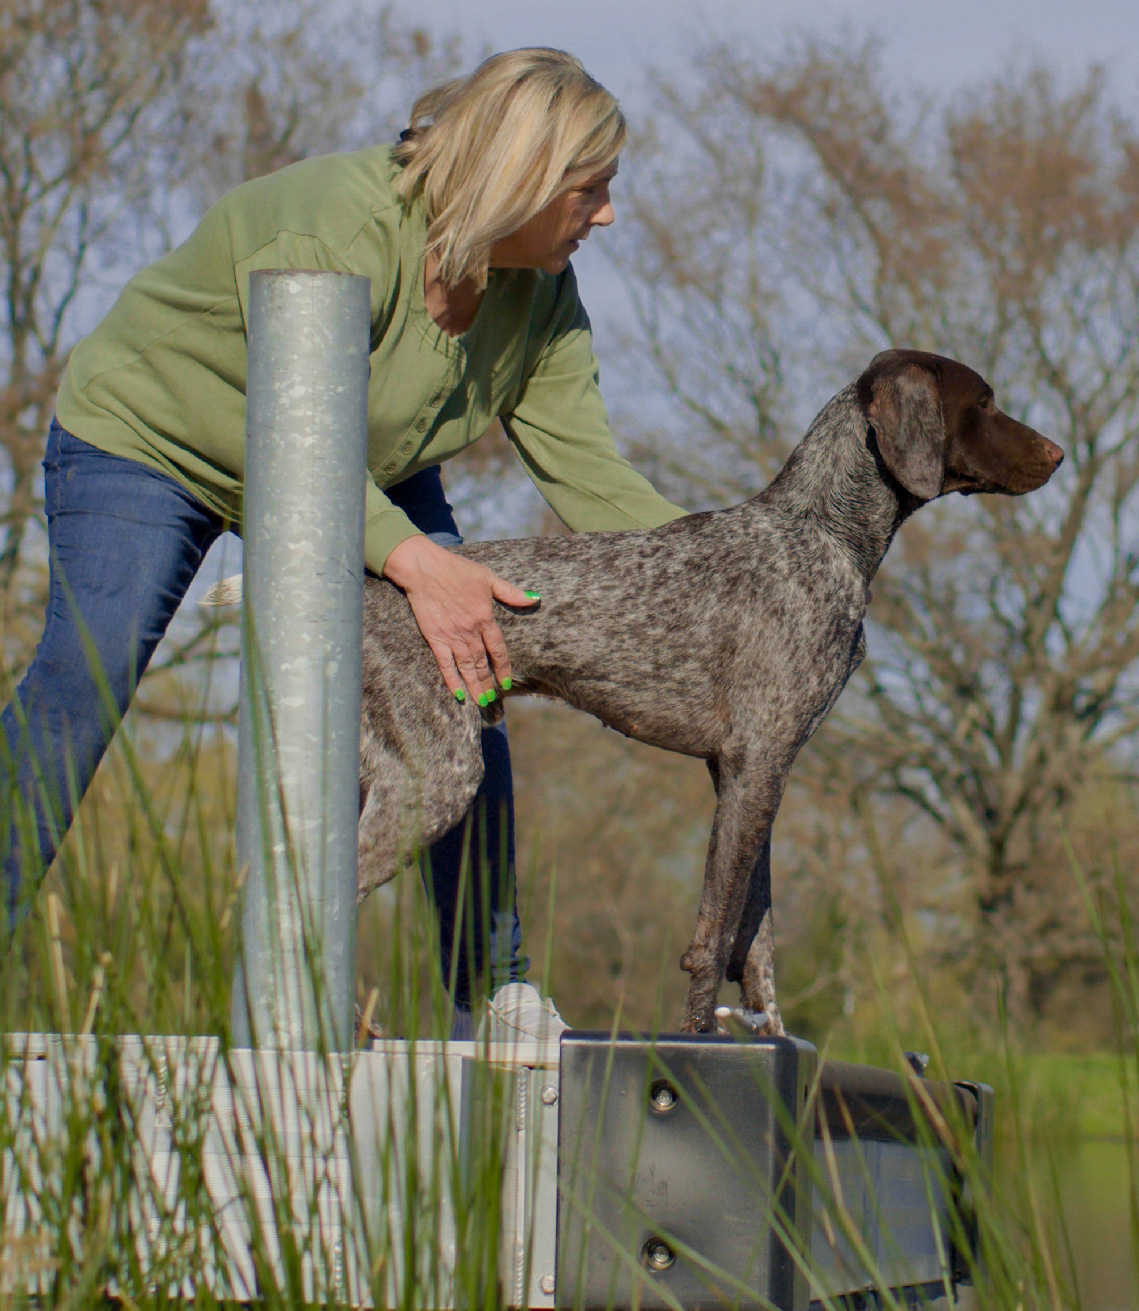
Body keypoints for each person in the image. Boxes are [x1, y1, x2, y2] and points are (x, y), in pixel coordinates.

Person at [8, 48, 689, 1041]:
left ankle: (492, 995)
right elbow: (276, 433)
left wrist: (723, 575)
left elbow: (590, 476)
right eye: (591, 190)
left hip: (359, 463)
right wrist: (412, 558)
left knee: (473, 671)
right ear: (524, 179)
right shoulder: (333, 223)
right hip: (165, 438)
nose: (607, 215)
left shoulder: (539, 294)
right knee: (91, 673)